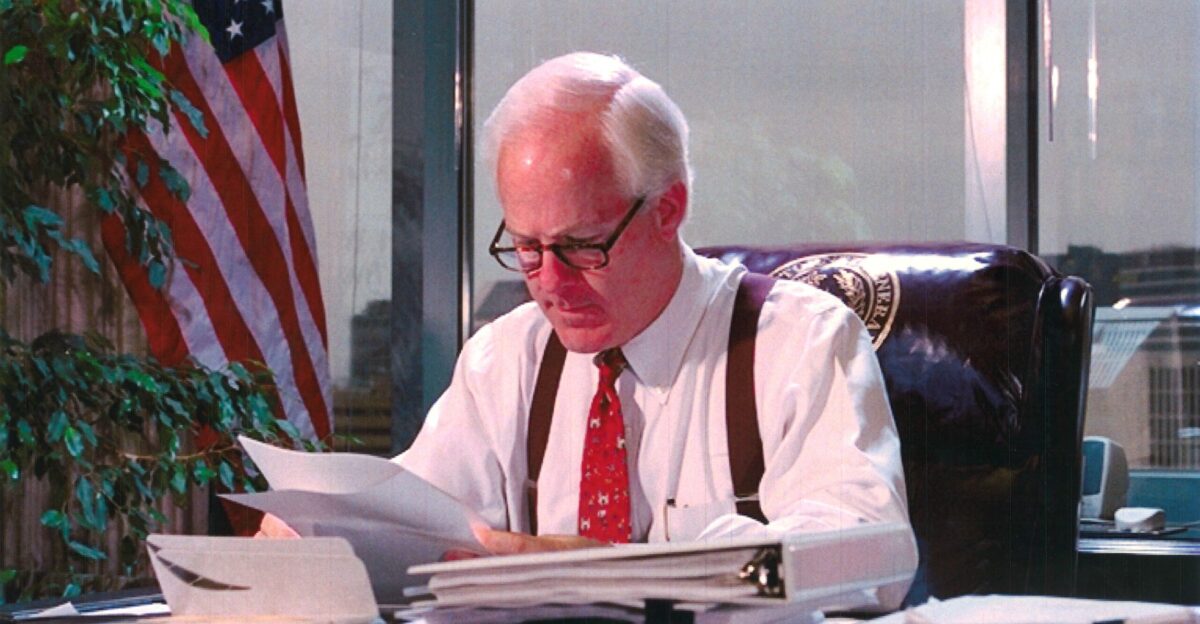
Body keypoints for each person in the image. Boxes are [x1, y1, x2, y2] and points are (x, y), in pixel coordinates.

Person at [261, 51, 916, 609]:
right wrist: (328, 530)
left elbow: (868, 547)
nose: (549, 281)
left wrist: (633, 576)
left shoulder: (798, 343)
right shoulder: (506, 358)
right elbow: (419, 511)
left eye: (581, 246)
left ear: (668, 209)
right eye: (525, 247)